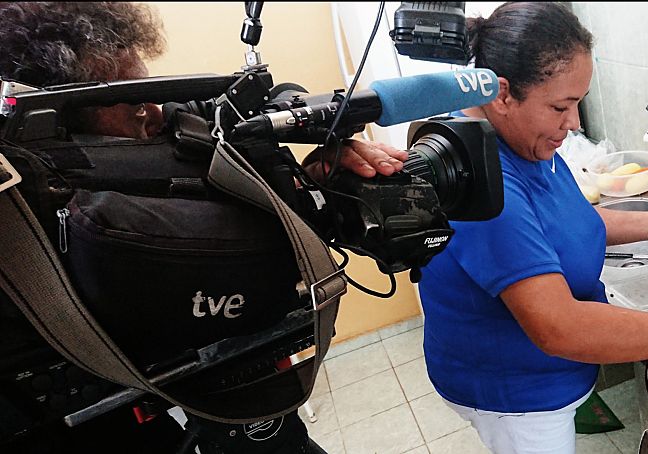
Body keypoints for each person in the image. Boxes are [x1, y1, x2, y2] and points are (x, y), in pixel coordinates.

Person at [0, 2, 406, 453]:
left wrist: (308, 170)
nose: (154, 112)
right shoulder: (36, 222)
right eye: (133, 105)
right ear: (54, 134)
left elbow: (232, 115)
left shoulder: (157, 134)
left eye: (147, 86)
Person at [417, 3, 648, 453]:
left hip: (541, 376)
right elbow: (560, 327)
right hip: (516, 395)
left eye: (578, 103)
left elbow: (566, 223)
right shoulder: (486, 183)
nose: (574, 123)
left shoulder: (521, 143)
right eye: (561, 106)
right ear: (502, 95)